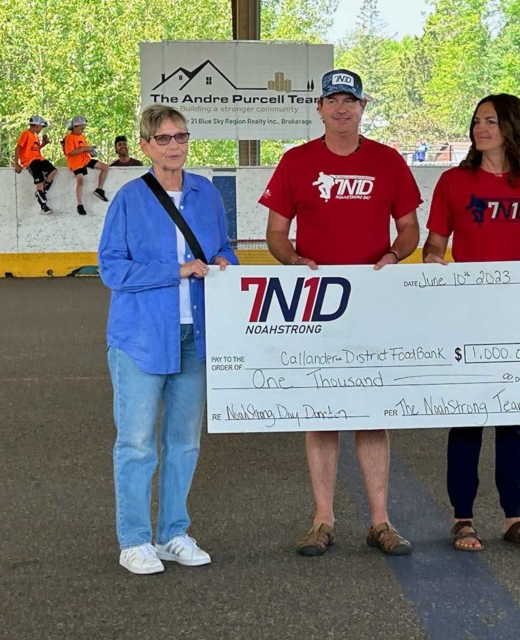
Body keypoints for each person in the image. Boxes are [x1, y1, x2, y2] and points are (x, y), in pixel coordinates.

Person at [259, 68, 421, 557]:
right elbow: (275, 235)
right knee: (321, 412)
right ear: (320, 108)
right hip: (317, 306)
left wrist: (394, 255)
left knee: (372, 413)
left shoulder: (388, 162)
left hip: (373, 304)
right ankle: (322, 520)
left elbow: (410, 228)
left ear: (363, 107)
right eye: (332, 100)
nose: (341, 108)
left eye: (350, 100)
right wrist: (293, 261)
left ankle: (380, 521)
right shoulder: (296, 162)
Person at [97, 104, 239, 575]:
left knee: (184, 441)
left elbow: (222, 248)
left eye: (181, 136)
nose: (174, 145)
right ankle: (134, 539)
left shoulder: (206, 195)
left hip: (195, 334)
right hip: (140, 337)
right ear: (144, 146)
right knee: (137, 443)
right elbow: (112, 268)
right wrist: (174, 271)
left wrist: (222, 264)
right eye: (163, 139)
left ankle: (173, 532)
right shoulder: (129, 199)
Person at [422, 94, 520, 552]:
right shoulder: (453, 182)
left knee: (514, 418)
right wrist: (435, 264)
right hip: (465, 311)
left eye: (490, 121)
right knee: (465, 417)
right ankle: (462, 517)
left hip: (516, 311)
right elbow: (435, 244)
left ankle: (513, 515)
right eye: (476, 121)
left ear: (512, 127)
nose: (480, 128)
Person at [62, 115, 110, 215]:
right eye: (81, 129)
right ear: (74, 127)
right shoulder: (69, 138)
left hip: (86, 160)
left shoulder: (82, 137)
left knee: (105, 167)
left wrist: (91, 151)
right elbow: (71, 152)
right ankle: (80, 204)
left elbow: (84, 148)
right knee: (80, 181)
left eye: (83, 129)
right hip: (76, 163)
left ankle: (99, 189)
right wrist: (85, 149)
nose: (82, 131)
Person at [13, 115, 57, 214]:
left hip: (39, 158)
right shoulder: (26, 134)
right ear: (36, 126)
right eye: (41, 127)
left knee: (53, 171)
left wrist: (43, 144)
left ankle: (42, 192)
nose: (41, 129)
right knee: (40, 180)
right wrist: (16, 163)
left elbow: (35, 149)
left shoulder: (35, 136)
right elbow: (18, 148)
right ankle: (43, 206)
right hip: (30, 161)